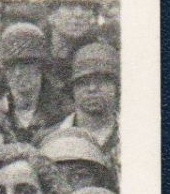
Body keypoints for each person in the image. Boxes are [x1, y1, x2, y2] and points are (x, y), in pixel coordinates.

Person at [49, 42, 119, 172]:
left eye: (101, 80)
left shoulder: (135, 135)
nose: (92, 88)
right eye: (83, 82)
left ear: (116, 87)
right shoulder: (52, 138)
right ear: (73, 89)